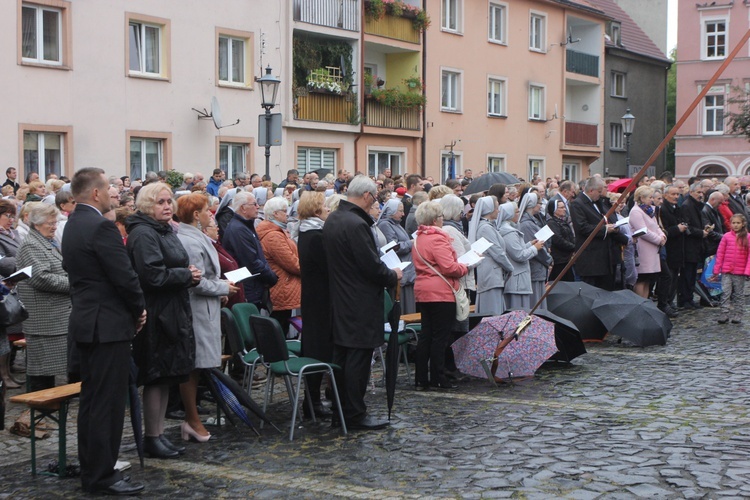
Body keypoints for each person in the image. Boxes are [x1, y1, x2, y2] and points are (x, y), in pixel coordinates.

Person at [62, 167, 147, 496]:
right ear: (95, 193)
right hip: (107, 325)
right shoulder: (100, 226)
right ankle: (101, 475)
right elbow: (124, 275)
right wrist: (139, 309)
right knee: (106, 405)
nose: (112, 193)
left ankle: (94, 471)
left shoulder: (74, 223)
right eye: (108, 188)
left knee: (93, 403)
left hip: (88, 321)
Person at [127, 182, 201, 459]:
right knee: (156, 374)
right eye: (160, 202)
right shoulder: (144, 233)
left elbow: (172, 265)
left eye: (169, 201)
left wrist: (186, 273)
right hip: (157, 313)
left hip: (172, 309)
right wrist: (186, 275)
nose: (167, 206)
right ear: (147, 206)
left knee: (167, 375)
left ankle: (157, 435)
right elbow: (152, 276)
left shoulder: (163, 229)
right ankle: (151, 437)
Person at [323, 175, 401, 430]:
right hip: (359, 302)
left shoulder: (335, 218)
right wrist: (392, 275)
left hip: (341, 299)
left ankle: (340, 410)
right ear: (367, 195)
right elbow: (370, 266)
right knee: (357, 360)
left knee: (343, 358)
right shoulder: (356, 224)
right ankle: (354, 414)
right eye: (375, 196)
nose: (376, 200)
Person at [176, 193, 238, 443]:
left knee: (199, 365)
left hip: (206, 308)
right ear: (195, 214)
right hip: (197, 311)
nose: (210, 214)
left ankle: (192, 419)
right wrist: (222, 288)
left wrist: (220, 289)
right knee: (193, 365)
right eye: (206, 210)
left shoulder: (197, 236)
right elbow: (195, 281)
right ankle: (191, 419)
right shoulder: (189, 241)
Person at [412, 201, 468, 390]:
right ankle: (438, 376)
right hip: (440, 292)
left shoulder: (419, 237)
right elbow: (449, 267)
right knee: (440, 337)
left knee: (426, 335)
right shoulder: (437, 238)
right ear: (435, 220)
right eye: (441, 217)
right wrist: (465, 267)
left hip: (423, 291)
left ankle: (421, 378)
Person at [16, 204, 70, 392]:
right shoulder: (32, 244)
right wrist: (74, 284)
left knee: (49, 370)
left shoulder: (45, 242)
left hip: (53, 318)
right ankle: (38, 415)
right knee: (42, 373)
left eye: (55, 222)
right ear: (37, 224)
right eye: (50, 223)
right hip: (44, 320)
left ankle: (44, 413)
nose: (55, 226)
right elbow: (41, 278)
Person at [297, 192, 333, 418]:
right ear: (317, 211)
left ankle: (313, 400)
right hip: (320, 298)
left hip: (313, 297)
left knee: (316, 347)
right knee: (318, 349)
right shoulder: (316, 236)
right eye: (326, 208)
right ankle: (312, 401)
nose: (328, 212)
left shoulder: (306, 233)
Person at [222, 191, 278, 310]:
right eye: (254, 204)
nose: (258, 207)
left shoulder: (245, 226)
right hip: (249, 288)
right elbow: (251, 262)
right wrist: (271, 277)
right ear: (243, 208)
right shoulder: (238, 230)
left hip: (253, 287)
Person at [570, 177, 627, 290]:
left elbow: (607, 218)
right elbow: (582, 227)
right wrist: (605, 229)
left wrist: (613, 227)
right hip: (591, 258)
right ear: (591, 190)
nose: (601, 195)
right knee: (591, 291)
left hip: (605, 257)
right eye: (599, 192)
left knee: (606, 290)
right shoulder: (578, 204)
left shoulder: (599, 202)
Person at [256, 197, 301, 335]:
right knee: (279, 327)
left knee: (281, 325)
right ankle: (277, 356)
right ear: (275, 214)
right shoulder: (273, 236)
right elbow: (292, 263)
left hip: (284, 284)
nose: (287, 214)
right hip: (282, 286)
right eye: (284, 211)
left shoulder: (278, 231)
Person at [468, 196, 513, 315]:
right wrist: (510, 268)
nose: (498, 211)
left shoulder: (488, 226)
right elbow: (498, 252)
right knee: (492, 311)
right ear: (489, 210)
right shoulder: (485, 228)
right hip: (490, 275)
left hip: (493, 274)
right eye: (497, 208)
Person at [498, 202, 545, 309]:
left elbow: (517, 249)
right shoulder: (509, 232)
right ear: (509, 214)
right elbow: (519, 255)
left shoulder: (510, 230)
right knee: (519, 309)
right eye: (517, 211)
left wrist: (529, 244)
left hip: (518, 277)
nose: (519, 214)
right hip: (517, 279)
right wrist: (534, 248)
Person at [377, 199, 416, 314]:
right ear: (391, 211)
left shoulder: (396, 224)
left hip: (406, 269)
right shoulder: (385, 224)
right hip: (399, 268)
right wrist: (411, 243)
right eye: (400, 211)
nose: (403, 214)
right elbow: (393, 247)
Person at [628, 186, 667, 299]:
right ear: (642, 198)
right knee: (642, 279)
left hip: (652, 249)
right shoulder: (636, 212)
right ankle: (640, 303)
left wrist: (662, 235)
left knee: (648, 280)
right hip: (643, 250)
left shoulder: (650, 210)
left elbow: (656, 226)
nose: (652, 199)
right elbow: (643, 231)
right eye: (649, 197)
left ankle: (645, 302)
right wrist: (658, 239)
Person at [517, 193, 553, 308]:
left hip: (538, 268)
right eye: (539, 203)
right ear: (532, 205)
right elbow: (537, 248)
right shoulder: (527, 224)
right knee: (536, 303)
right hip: (535, 268)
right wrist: (549, 259)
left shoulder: (533, 221)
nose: (541, 206)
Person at [0, 200, 21, 388]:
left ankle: (7, 374)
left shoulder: (13, 234)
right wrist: (19, 261)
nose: (11, 219)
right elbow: (3, 262)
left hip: (11, 287)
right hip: (3, 287)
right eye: (7, 215)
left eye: (12, 216)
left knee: (5, 338)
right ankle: (4, 377)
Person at [714, 214, 750, 324]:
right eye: (733, 223)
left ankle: (738, 313)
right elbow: (720, 253)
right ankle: (724, 312)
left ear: (743, 224)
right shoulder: (726, 236)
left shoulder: (747, 237)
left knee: (738, 294)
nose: (735, 225)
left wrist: (747, 270)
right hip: (727, 270)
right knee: (725, 292)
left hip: (740, 271)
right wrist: (717, 269)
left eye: (738, 223)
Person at [203, 217, 245, 308]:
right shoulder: (209, 248)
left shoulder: (217, 245)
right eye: (214, 226)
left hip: (234, 297)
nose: (218, 228)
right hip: (225, 299)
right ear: (205, 231)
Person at [679, 183, 708, 308]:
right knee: (687, 274)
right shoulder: (687, 205)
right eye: (698, 192)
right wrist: (701, 232)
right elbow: (687, 226)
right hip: (689, 245)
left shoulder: (696, 205)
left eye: (702, 193)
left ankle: (689, 298)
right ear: (691, 192)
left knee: (692, 274)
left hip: (696, 245)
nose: (701, 195)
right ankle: (685, 299)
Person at [547, 199, 576, 282]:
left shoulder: (562, 221)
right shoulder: (551, 223)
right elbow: (558, 240)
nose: (565, 209)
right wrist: (574, 247)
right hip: (559, 260)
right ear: (554, 210)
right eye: (561, 207)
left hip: (567, 258)